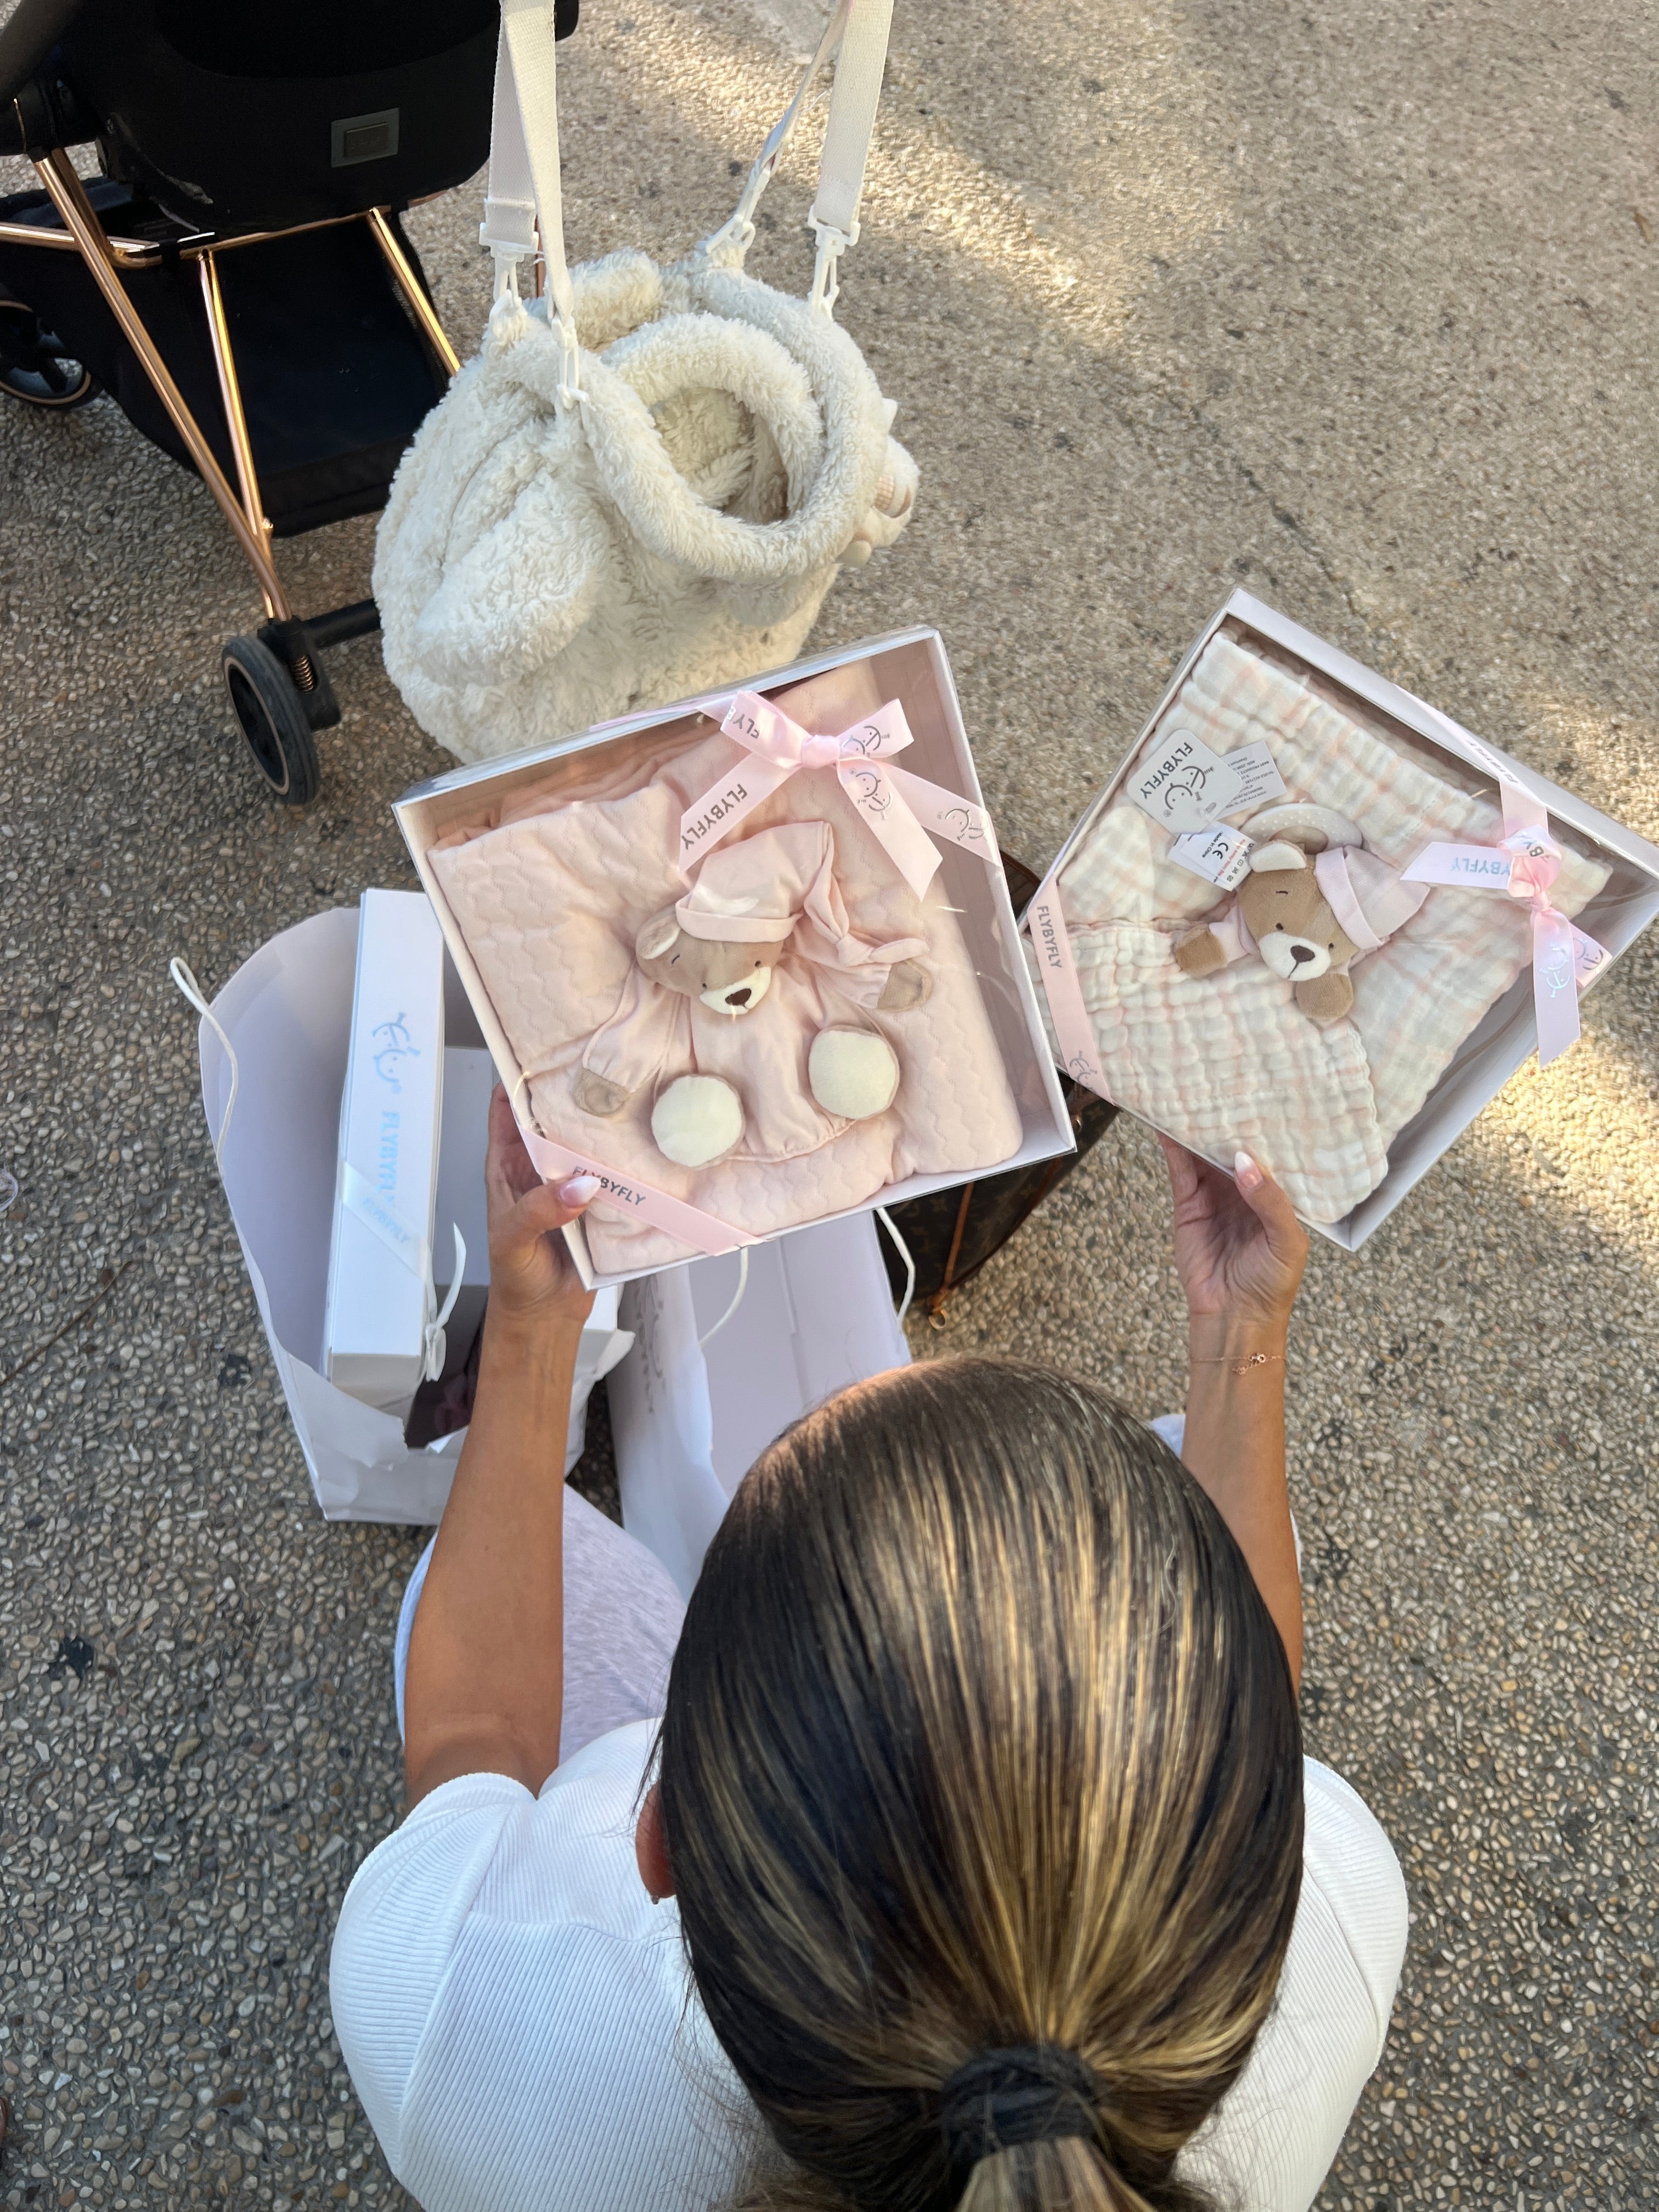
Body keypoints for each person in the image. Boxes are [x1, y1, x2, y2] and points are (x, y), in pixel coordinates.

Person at [330, 1093, 1407, 2212]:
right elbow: (1249, 1729)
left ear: (658, 1846)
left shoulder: (450, 2009)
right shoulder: (1337, 1916)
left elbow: (472, 1736)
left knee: (494, 1568)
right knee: (1183, 1462)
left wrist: (531, 1328)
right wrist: (1240, 1334)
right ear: (1236, 1866)